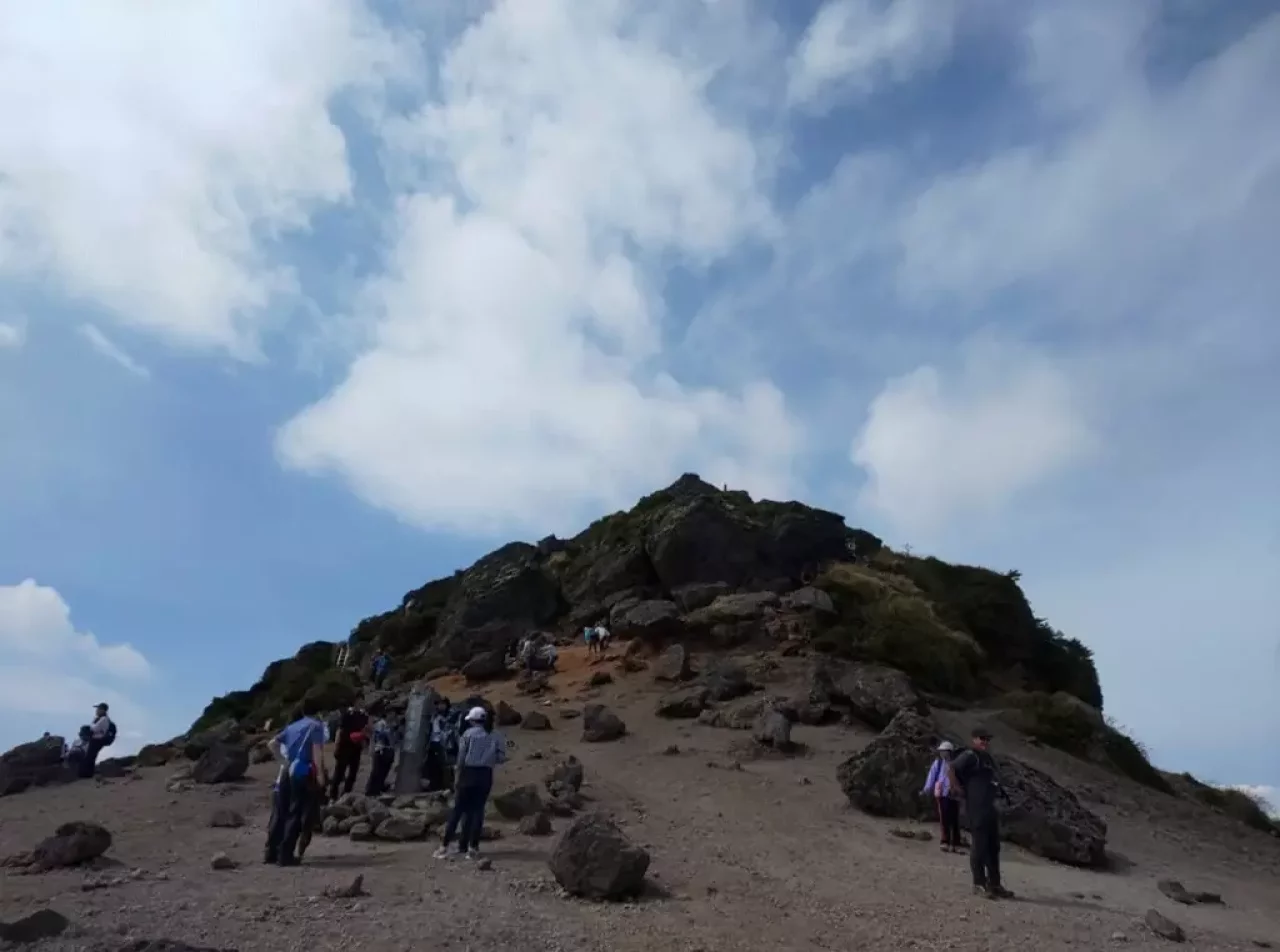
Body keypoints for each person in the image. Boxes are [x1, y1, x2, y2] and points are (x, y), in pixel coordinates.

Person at [434, 706, 506, 860]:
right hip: (485, 775)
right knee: (477, 812)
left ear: (473, 720)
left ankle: (444, 846)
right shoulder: (496, 735)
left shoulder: (467, 734)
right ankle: (472, 847)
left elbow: (460, 759)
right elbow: (500, 758)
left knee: (458, 810)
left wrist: (456, 778)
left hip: (468, 773)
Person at [950, 727, 1014, 899]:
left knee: (994, 846)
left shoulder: (986, 758)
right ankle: (979, 883)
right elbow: (952, 768)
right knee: (980, 846)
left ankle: (995, 884)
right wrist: (958, 790)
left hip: (990, 806)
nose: (985, 742)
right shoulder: (970, 755)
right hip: (977, 807)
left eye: (987, 739)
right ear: (974, 739)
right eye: (982, 738)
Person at [264, 699, 329, 867]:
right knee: (296, 812)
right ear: (318, 712)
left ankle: (273, 852)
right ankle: (285, 855)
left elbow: (272, 744)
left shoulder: (293, 726)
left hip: (288, 770)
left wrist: (284, 762)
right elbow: (317, 752)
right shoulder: (316, 726)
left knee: (283, 811)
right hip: (302, 771)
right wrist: (321, 775)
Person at [922, 741, 963, 852]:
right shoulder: (938, 763)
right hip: (942, 794)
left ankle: (955, 843)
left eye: (944, 751)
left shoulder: (956, 763)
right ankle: (945, 841)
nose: (942, 754)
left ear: (949, 752)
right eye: (941, 752)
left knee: (954, 819)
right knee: (944, 819)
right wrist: (927, 788)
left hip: (954, 794)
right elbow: (932, 775)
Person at [329, 705, 370, 800]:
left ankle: (346, 794)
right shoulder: (346, 714)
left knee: (353, 773)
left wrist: (364, 741)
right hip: (344, 746)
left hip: (356, 747)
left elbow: (365, 730)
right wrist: (336, 745)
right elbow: (340, 730)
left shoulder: (363, 715)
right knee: (339, 772)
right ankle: (333, 796)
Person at [424, 696, 455, 793]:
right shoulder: (434, 716)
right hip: (433, 742)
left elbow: (451, 729)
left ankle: (445, 785)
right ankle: (433, 784)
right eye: (438, 704)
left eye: (442, 704)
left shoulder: (450, 715)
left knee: (444, 765)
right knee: (432, 764)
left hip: (445, 743)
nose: (440, 706)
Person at [365, 710, 399, 796]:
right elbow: (378, 737)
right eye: (391, 713)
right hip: (380, 751)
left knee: (384, 772)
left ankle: (378, 789)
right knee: (376, 772)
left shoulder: (393, 726)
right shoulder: (381, 724)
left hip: (389, 751)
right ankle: (370, 791)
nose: (393, 716)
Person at [82, 703, 116, 778]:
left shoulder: (104, 719)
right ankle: (87, 773)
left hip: (98, 740)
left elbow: (95, 728)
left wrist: (89, 727)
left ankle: (87, 774)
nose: (96, 711)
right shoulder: (98, 718)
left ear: (103, 710)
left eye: (98, 709)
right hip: (95, 739)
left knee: (90, 756)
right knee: (90, 756)